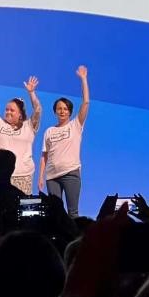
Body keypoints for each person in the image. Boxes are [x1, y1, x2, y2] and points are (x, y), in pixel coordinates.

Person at [39, 65, 90, 218]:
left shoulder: (75, 125)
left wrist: (83, 79)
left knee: (72, 213)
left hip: (70, 173)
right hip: (51, 177)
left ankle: (75, 234)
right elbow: (44, 155)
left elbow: (86, 102)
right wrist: (41, 177)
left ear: (70, 112)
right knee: (55, 214)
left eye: (65, 109)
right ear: (55, 111)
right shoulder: (49, 131)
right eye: (59, 108)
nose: (62, 111)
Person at [0, 74, 41, 194]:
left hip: (23, 176)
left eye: (12, 110)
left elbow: (37, 110)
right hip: (0, 176)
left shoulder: (29, 126)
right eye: (6, 109)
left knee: (19, 205)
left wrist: (31, 93)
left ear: (20, 114)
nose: (8, 112)